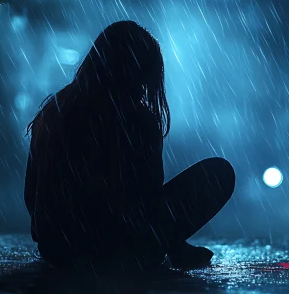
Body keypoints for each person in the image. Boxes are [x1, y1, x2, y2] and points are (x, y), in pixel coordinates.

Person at [23, 21, 235, 269]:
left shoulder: (55, 110)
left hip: (57, 247)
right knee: (219, 173)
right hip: (116, 247)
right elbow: (146, 197)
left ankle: (142, 249)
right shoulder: (136, 120)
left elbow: (31, 193)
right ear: (141, 73)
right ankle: (155, 251)